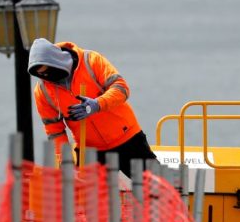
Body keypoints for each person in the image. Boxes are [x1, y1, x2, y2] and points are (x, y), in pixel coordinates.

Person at [28, 38, 156, 176]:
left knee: (157, 189)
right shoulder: (43, 91)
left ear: (57, 61)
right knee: (85, 197)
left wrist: (97, 104)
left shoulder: (91, 61)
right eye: (41, 74)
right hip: (89, 150)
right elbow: (54, 130)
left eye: (49, 71)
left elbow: (121, 88)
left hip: (127, 139)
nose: (47, 77)